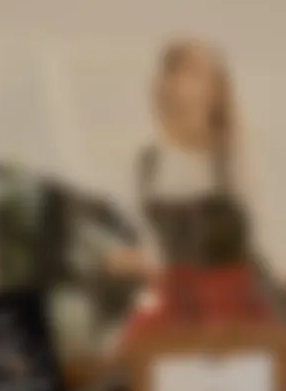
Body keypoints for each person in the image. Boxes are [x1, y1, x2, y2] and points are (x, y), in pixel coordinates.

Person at [111, 40, 275, 346]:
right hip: (173, 306)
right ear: (168, 82)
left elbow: (265, 237)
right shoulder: (147, 160)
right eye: (194, 72)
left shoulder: (238, 155)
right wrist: (131, 261)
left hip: (235, 307)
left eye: (212, 75)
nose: (203, 84)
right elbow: (147, 247)